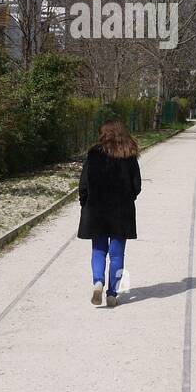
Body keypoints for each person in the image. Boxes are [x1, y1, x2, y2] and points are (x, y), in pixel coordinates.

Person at [77, 119, 142, 307]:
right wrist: (128, 199)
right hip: (121, 212)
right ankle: (112, 293)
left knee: (98, 250)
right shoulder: (129, 155)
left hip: (96, 210)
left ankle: (98, 282)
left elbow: (84, 184)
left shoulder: (94, 154)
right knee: (116, 255)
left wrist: (85, 204)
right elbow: (136, 186)